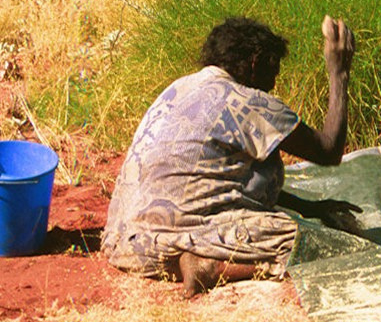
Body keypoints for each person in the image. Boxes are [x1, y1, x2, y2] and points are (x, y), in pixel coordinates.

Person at [103, 15, 364, 295]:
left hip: (124, 244)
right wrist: (339, 73)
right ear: (256, 63)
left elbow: (218, 183)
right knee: (316, 244)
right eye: (273, 72)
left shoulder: (177, 88)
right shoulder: (246, 100)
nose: (273, 85)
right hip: (175, 239)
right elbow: (328, 150)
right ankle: (209, 265)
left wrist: (311, 207)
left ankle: (189, 260)